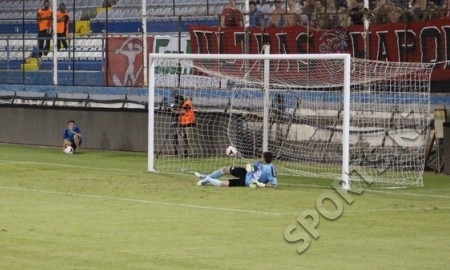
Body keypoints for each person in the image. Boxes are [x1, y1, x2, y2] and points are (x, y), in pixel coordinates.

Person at [195, 151, 278, 188]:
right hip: (245, 173)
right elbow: (253, 168)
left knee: (224, 184)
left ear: (264, 158)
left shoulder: (270, 170)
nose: (260, 157)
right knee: (225, 169)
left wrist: (262, 185)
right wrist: (249, 166)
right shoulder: (260, 163)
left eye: (261, 156)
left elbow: (274, 185)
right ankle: (205, 178)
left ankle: (208, 179)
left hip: (246, 182)